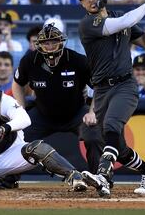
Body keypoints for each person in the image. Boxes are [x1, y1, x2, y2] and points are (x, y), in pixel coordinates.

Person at [77, 0, 145, 197]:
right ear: (81, 3)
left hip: (125, 84)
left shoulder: (118, 17)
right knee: (121, 148)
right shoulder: (88, 24)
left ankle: (103, 176)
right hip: (101, 89)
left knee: (111, 126)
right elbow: (121, 23)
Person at [12, 23, 103, 174]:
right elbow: (17, 84)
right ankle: (8, 179)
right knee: (18, 137)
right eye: (46, 43)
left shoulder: (77, 60)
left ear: (61, 41)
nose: (50, 46)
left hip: (76, 112)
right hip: (42, 114)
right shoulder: (29, 61)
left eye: (54, 41)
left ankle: (99, 177)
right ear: (39, 44)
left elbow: (99, 86)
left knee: (94, 135)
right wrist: (20, 110)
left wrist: (93, 112)